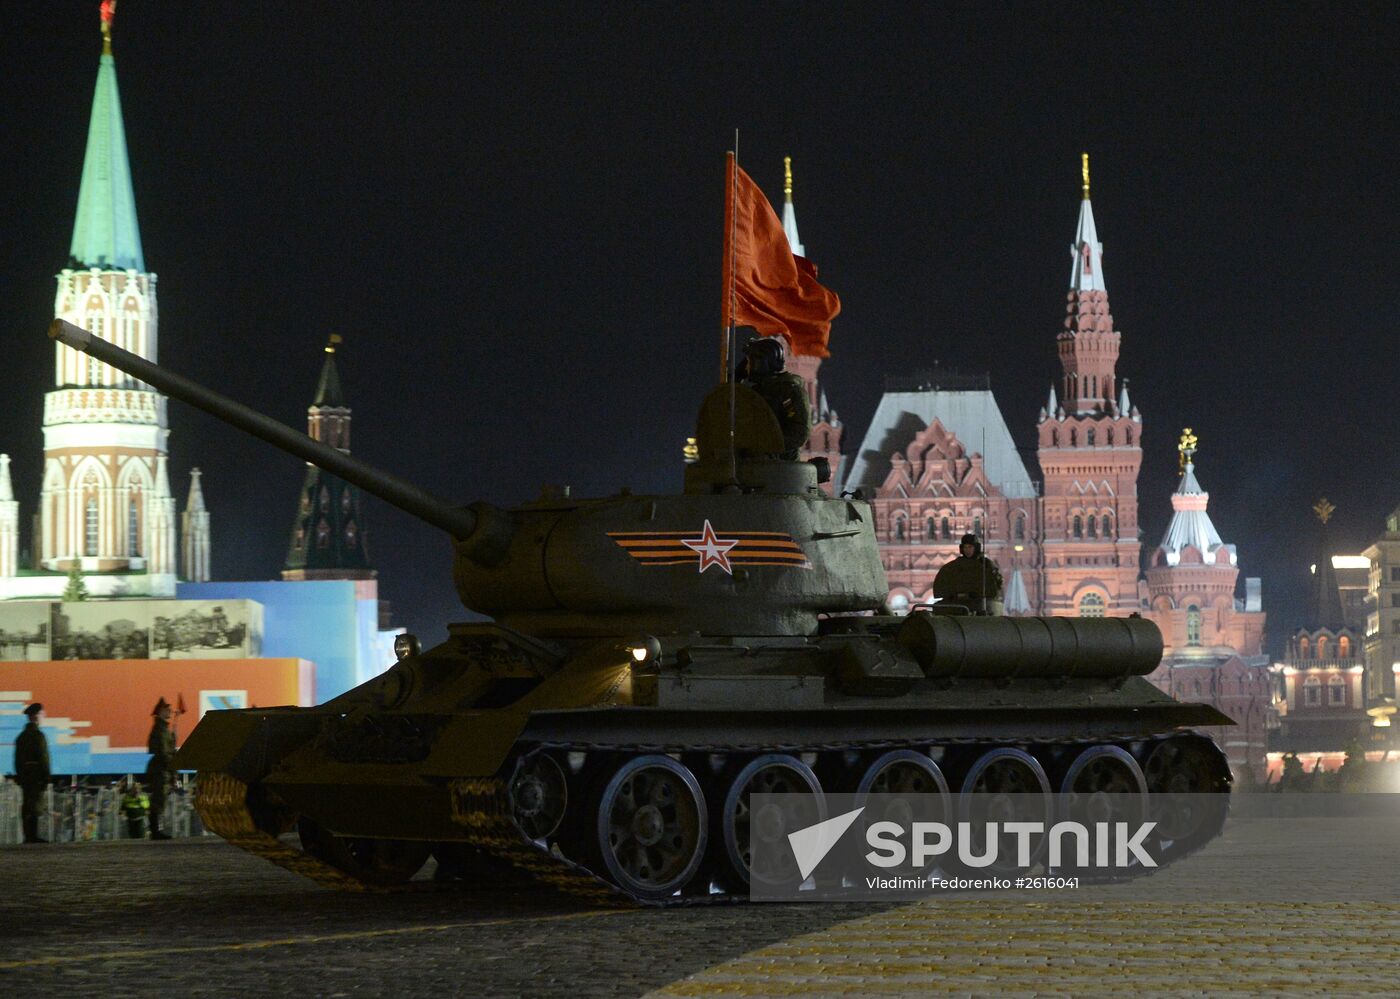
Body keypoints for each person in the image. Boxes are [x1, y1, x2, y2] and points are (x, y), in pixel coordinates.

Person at [737, 337, 811, 461]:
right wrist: (735, 379)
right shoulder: (755, 392)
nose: (746, 367)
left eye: (750, 362)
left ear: (762, 362)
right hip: (755, 465)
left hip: (780, 467)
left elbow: (799, 432)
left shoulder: (788, 391)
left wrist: (767, 446)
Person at [932, 533, 1004, 610]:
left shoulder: (986, 565)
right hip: (956, 604)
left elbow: (994, 588)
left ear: (975, 547)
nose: (967, 550)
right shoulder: (953, 567)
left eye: (970, 547)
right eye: (965, 547)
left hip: (979, 604)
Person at [13, 702, 50, 844]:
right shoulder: (38, 735)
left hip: (25, 775)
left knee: (27, 804)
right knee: (35, 805)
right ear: (36, 716)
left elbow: (17, 759)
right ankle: (32, 835)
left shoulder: (21, 737)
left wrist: (20, 776)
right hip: (36, 775)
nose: (43, 716)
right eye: (42, 714)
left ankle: (28, 835)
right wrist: (46, 776)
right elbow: (43, 757)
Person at [145, 698, 176, 840]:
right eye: (167, 709)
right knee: (158, 801)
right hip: (160, 769)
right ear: (160, 711)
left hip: (159, 768)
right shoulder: (160, 729)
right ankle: (155, 831)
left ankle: (156, 830)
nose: (170, 711)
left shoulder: (162, 728)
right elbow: (164, 752)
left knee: (159, 800)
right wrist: (172, 767)